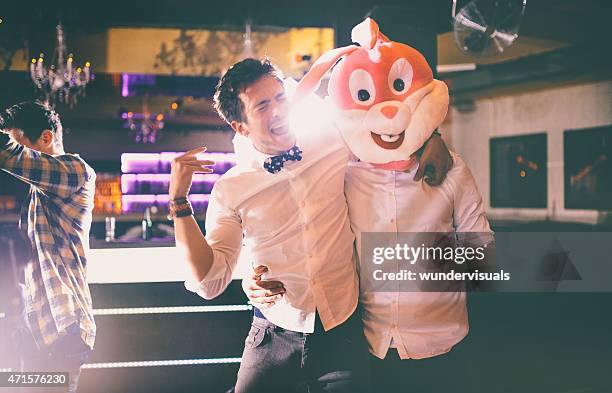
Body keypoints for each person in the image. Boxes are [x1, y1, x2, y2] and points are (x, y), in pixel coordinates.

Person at [169, 58, 452, 393]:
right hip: (273, 336)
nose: (277, 110)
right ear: (240, 127)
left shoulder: (331, 140)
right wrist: (178, 203)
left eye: (280, 98)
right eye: (262, 105)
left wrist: (432, 136)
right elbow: (209, 280)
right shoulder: (232, 189)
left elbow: (386, 125)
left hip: (342, 332)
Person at [0, 101, 96, 393]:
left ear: (46, 138)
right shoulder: (37, 192)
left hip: (60, 330)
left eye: (23, 145)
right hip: (35, 331)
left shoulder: (75, 171)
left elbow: (10, 156)